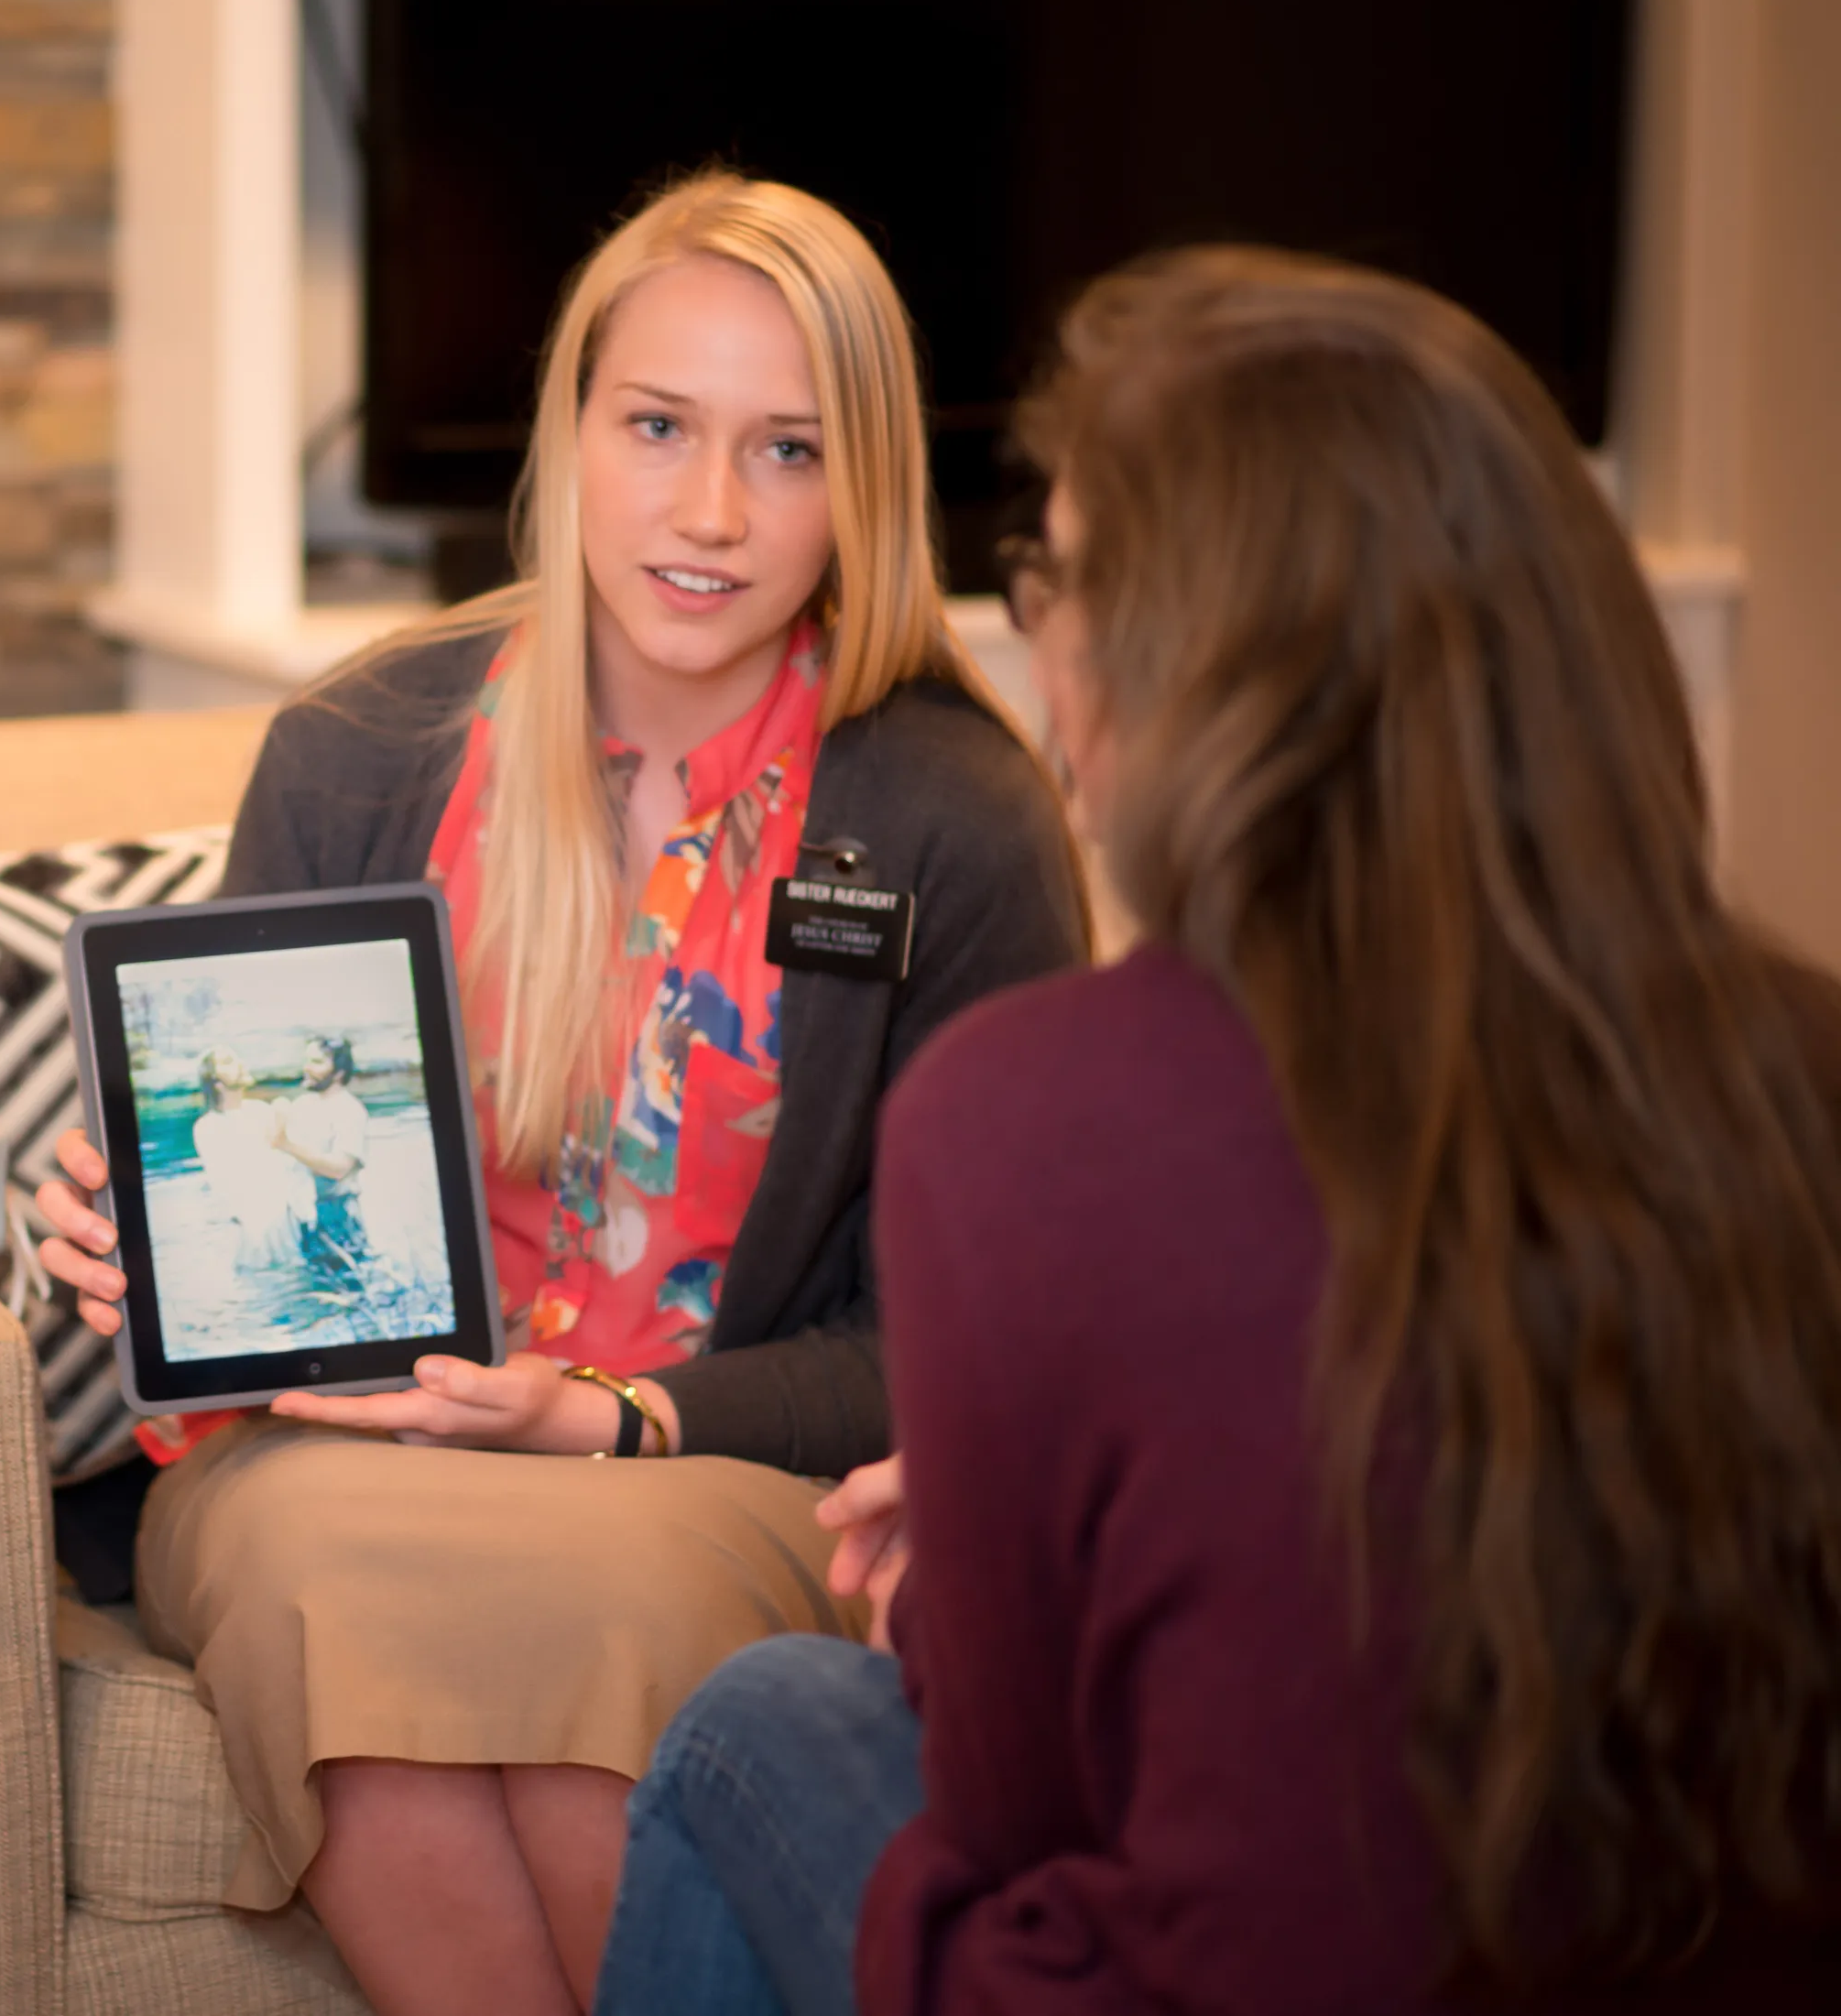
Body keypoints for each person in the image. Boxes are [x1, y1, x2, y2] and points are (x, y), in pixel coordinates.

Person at [597, 248, 1841, 2013]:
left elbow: (1024, 1806)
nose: (1046, 636)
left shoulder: (1035, 1117)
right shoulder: (1806, 1066)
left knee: (766, 1719)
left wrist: (976, 1571)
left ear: (1192, 670)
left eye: (1071, 580)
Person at [33, 171, 1087, 2014]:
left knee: (611, 1602)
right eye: (658, 427)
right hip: (330, 1452)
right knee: (329, 1570)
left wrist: (605, 1421)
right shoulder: (367, 747)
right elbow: (231, 1199)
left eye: (784, 450)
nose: (705, 512)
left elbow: (960, 1351)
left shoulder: (955, 821)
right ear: (572, 430)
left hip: (711, 1464)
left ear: (867, 487)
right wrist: (143, 1233)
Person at [274, 1036, 376, 1292]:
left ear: (339, 1072)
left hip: (338, 1217)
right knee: (315, 1294)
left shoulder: (350, 1111)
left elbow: (339, 1168)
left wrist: (287, 1145)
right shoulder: (302, 1105)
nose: (307, 1067)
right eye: (307, 1060)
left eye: (317, 1062)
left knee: (348, 1295)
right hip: (304, 1216)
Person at [191, 1047, 296, 1277]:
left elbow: (284, 1163)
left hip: (283, 1219)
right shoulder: (208, 1127)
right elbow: (226, 1183)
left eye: (238, 1057)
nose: (240, 1063)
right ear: (216, 1082)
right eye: (229, 1062)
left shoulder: (262, 1111)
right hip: (251, 1227)